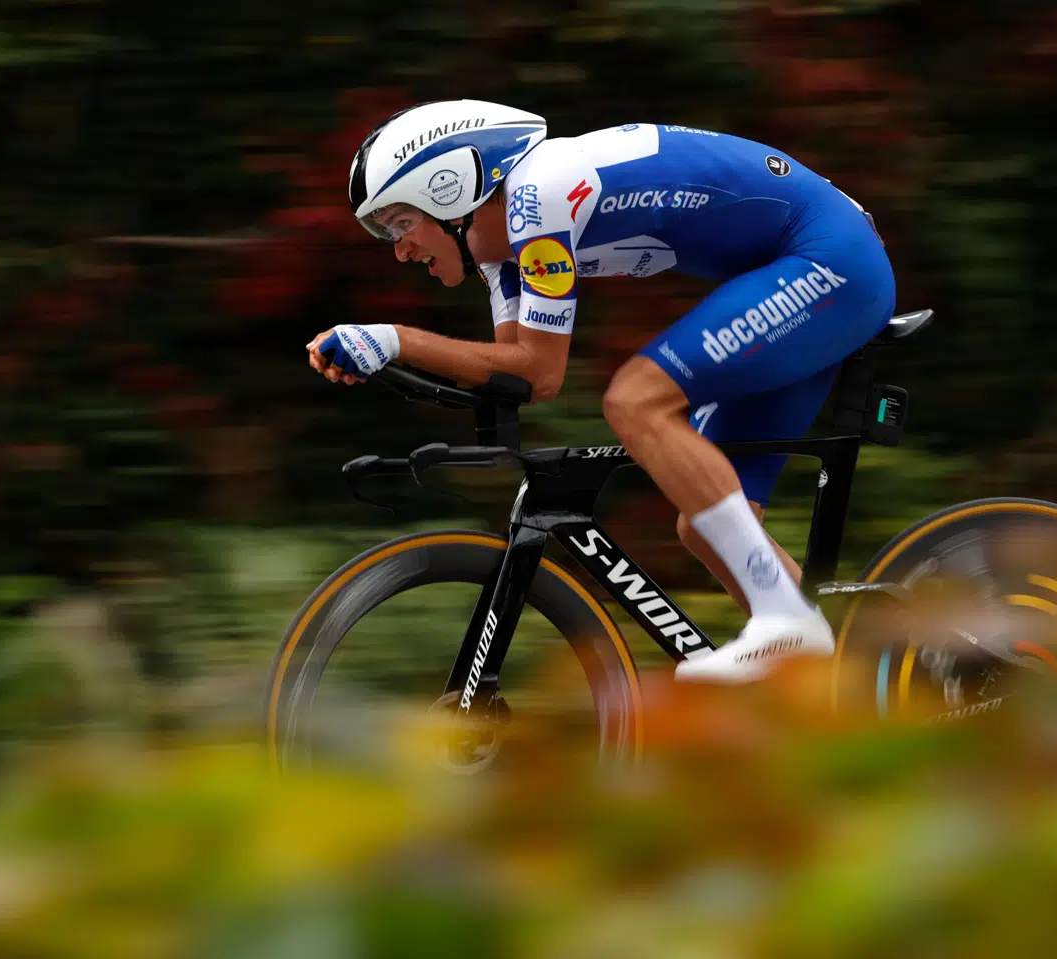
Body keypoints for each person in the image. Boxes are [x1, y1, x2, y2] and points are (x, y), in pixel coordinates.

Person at [309, 99, 897, 683]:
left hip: (830, 258)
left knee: (635, 400)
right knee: (708, 525)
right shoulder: (501, 253)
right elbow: (527, 377)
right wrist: (388, 357)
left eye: (401, 223)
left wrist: (395, 340)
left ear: (450, 189)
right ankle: (851, 682)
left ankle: (788, 619)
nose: (400, 249)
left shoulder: (537, 196)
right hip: (797, 269)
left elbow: (537, 365)